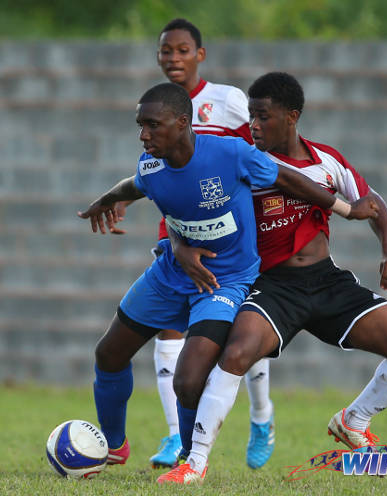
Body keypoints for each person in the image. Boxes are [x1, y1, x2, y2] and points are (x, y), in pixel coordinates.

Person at [77, 82, 378, 472]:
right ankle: (113, 447)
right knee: (108, 353)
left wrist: (345, 209)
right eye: (140, 125)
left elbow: (287, 179)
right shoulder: (150, 165)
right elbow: (137, 188)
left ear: (183, 123)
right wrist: (108, 200)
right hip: (170, 273)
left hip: (225, 282)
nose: (143, 134)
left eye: (152, 124)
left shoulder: (229, 153)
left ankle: (189, 460)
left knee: (188, 380)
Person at [156, 72, 387, 484]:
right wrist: (177, 244)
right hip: (272, 286)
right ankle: (194, 465)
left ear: (292, 117)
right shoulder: (242, 160)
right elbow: (186, 197)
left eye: (263, 116)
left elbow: (370, 202)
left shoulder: (326, 161)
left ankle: (353, 421)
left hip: (327, 282)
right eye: (250, 116)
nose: (254, 125)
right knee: (236, 355)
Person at [114, 18, 276, 470]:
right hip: (180, 227)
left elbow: (257, 153)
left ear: (199, 55)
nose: (173, 59)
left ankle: (261, 415)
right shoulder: (155, 108)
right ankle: (174, 438)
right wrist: (173, 239)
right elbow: (146, 180)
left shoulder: (226, 101)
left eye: (182, 50)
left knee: (244, 333)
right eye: (165, 51)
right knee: (169, 329)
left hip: (234, 227)